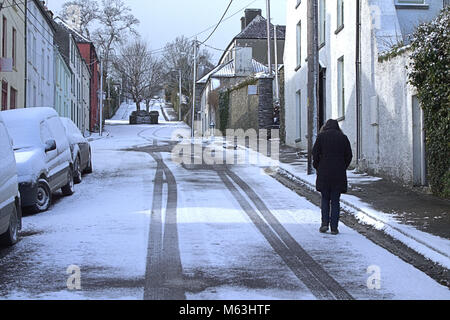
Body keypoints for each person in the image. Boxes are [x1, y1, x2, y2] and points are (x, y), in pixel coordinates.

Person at [312, 119, 353, 235]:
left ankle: (324, 224)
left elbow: (315, 154)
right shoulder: (343, 138)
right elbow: (349, 155)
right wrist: (343, 166)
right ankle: (334, 227)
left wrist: (318, 166)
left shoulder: (321, 137)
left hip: (324, 172)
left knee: (325, 199)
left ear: (325, 126)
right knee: (335, 201)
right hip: (338, 174)